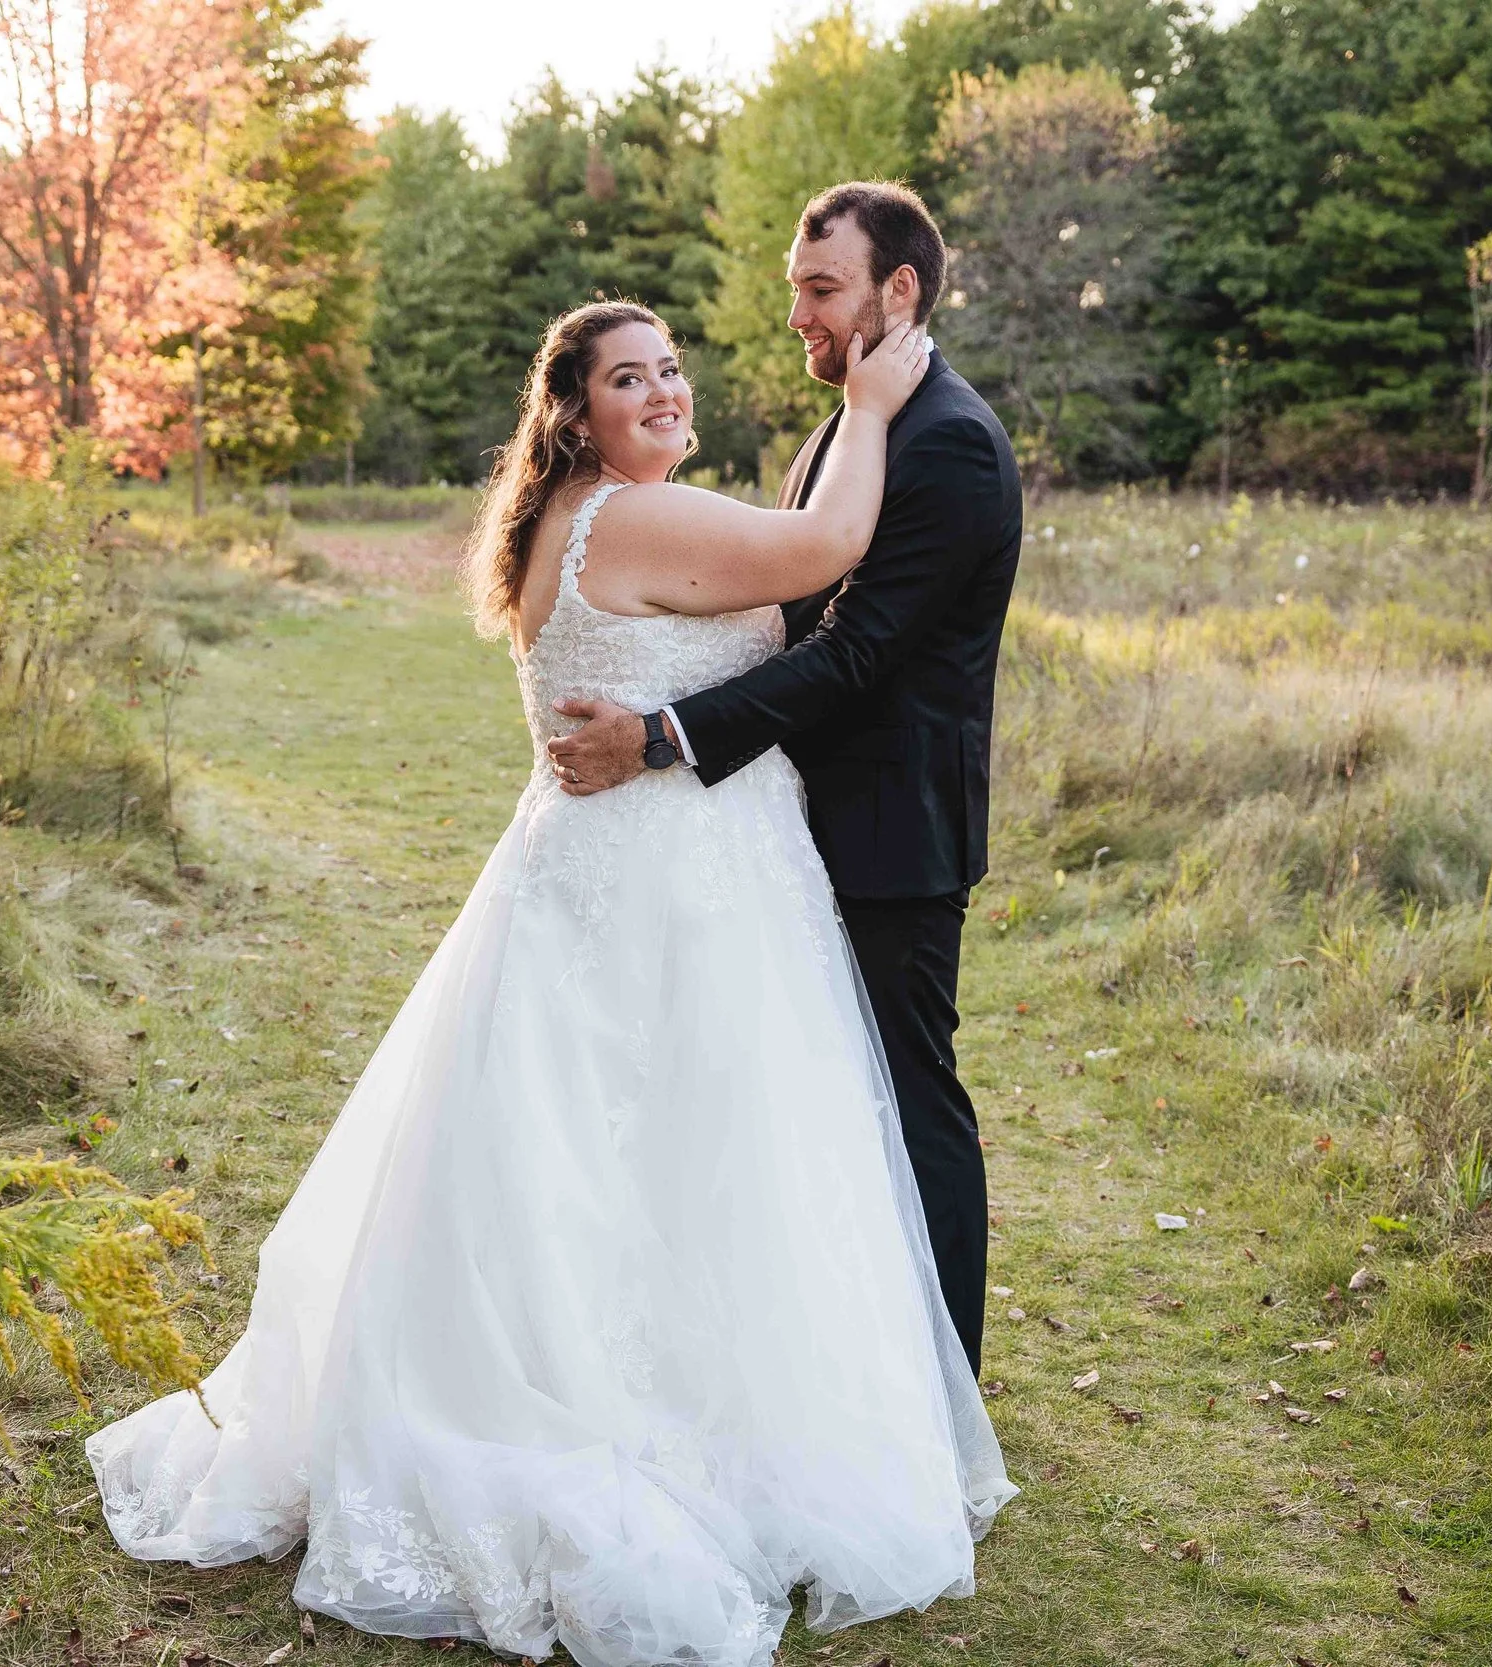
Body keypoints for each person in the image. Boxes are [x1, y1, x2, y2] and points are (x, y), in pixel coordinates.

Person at [86, 289, 1012, 1666]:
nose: (664, 393)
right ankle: (679, 1421)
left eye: (672, 369)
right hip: (679, 895)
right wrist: (871, 409)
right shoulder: (634, 520)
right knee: (690, 1153)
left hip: (591, 883)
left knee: (584, 1161)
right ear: (574, 411)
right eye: (629, 379)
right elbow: (827, 547)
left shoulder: (560, 524)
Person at [548, 180, 1023, 1374]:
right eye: (795, 291)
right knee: (821, 1108)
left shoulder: (949, 443)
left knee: (909, 1105)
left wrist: (658, 735)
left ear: (896, 290)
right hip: (790, 825)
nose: (801, 316)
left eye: (822, 290)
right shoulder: (850, 424)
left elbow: (854, 654)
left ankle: (940, 1383)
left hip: (890, 828)